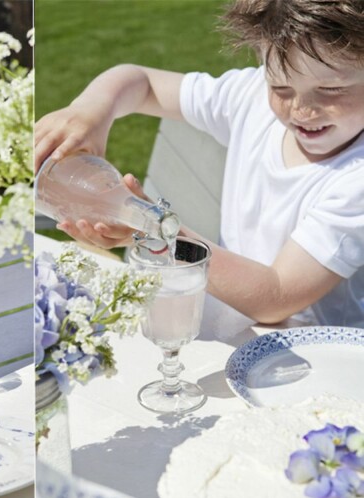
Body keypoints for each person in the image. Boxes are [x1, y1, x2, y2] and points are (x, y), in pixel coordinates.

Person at [34, 0, 364, 327]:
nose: (302, 110)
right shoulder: (249, 97)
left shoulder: (356, 178)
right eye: (280, 87)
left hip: (318, 358)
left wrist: (160, 233)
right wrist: (92, 109)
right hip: (232, 324)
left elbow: (275, 298)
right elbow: (141, 83)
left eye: (332, 89)